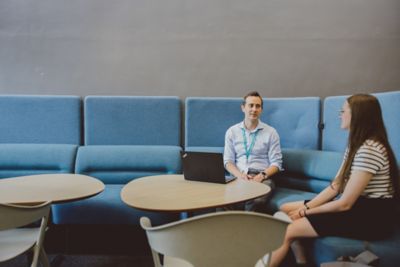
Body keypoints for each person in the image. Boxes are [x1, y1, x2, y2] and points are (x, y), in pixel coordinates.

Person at [270, 94, 399, 267]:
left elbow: (345, 204)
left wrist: (305, 212)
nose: (339, 114)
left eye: (343, 111)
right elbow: (336, 186)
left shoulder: (370, 149)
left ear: (357, 115)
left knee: (286, 230)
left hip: (371, 217)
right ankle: (302, 261)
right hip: (356, 207)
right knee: (285, 208)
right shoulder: (356, 144)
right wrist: (307, 207)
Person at [223, 91, 283, 211]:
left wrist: (261, 176)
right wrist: (240, 176)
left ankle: (247, 229)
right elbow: (228, 161)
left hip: (262, 176)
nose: (254, 109)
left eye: (258, 106)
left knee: (256, 200)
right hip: (238, 176)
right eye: (251, 105)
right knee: (221, 198)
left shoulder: (271, 132)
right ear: (243, 108)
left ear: (261, 109)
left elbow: (276, 164)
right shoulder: (232, 131)